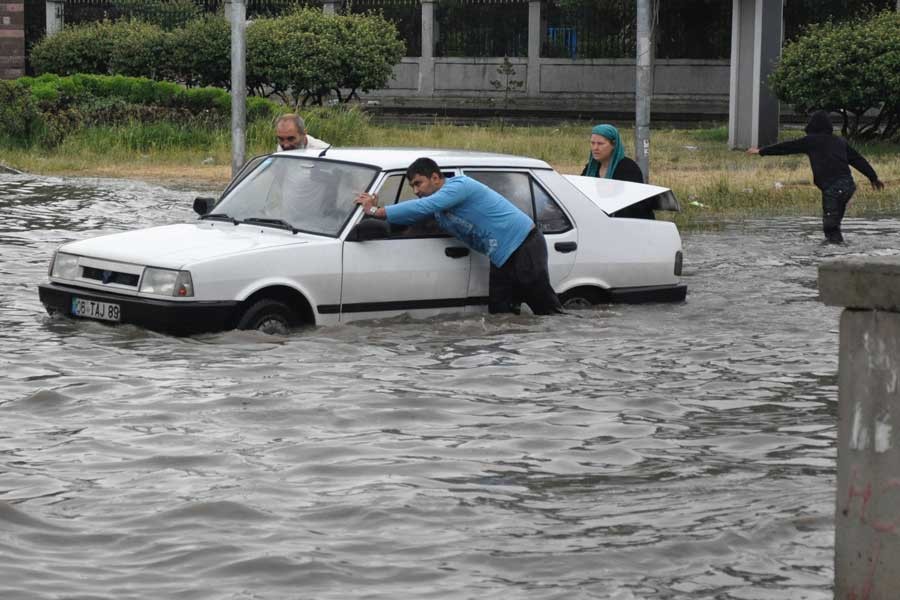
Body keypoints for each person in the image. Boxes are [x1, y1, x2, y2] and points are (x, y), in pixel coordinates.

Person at [354, 157, 563, 316]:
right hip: (500, 255)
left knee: (545, 308)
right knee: (500, 314)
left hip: (524, 244)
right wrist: (373, 217)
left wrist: (376, 211)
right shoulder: (439, 211)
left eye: (418, 184)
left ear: (435, 178)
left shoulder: (459, 186)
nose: (416, 191)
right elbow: (410, 219)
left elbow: (423, 206)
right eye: (412, 187)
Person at [747, 110, 884, 244]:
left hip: (833, 188)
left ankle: (833, 256)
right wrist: (873, 177)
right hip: (848, 186)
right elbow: (857, 159)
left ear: (812, 125)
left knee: (830, 227)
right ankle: (838, 250)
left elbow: (787, 147)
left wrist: (761, 151)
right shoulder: (839, 141)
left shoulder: (811, 141)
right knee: (834, 224)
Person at [581, 123, 654, 219]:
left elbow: (633, 204)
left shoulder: (627, 168)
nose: (595, 148)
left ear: (614, 145)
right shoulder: (590, 168)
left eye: (600, 144)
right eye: (592, 143)